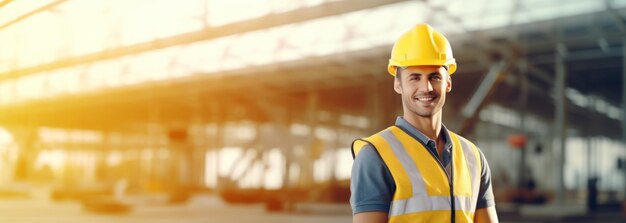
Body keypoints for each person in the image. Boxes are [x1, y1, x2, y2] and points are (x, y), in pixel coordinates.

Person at [350, 24, 499, 223]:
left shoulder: (473, 157)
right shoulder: (375, 155)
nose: (426, 87)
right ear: (398, 84)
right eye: (415, 77)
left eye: (435, 77)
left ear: (448, 83)